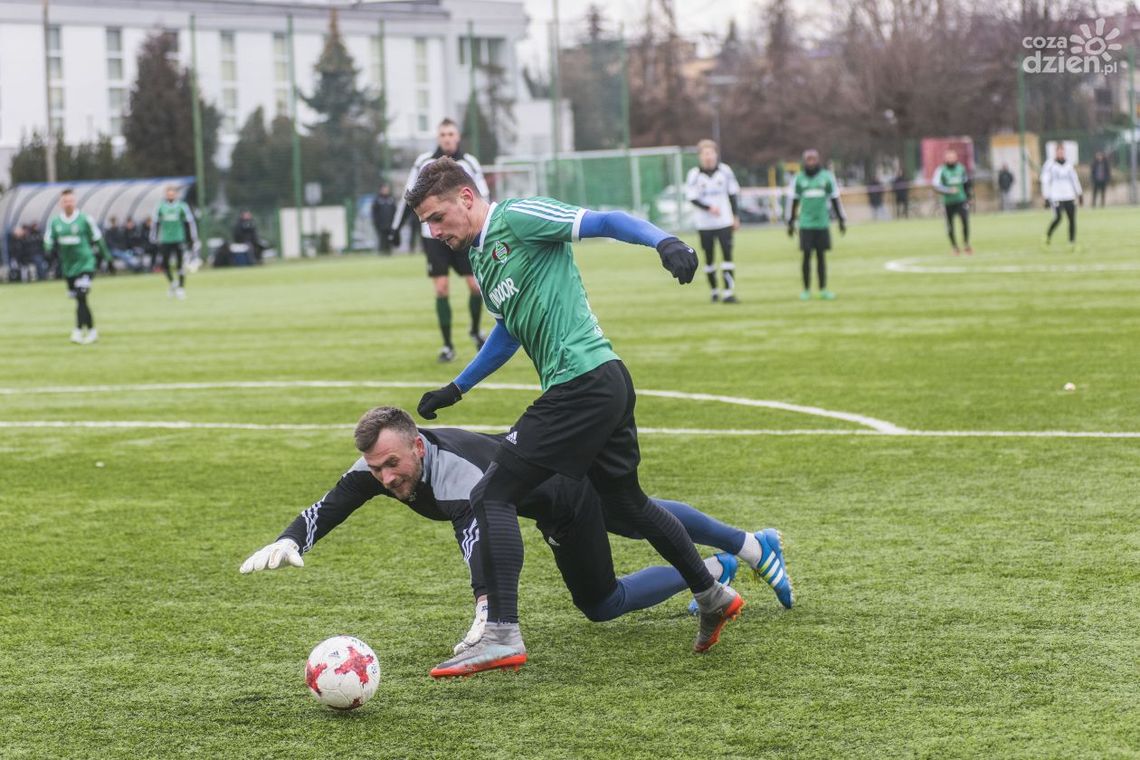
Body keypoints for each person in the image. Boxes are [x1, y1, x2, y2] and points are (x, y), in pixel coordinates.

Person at [408, 157, 744, 678]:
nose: (434, 231)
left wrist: (664, 242)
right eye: (426, 224)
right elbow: (509, 331)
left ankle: (501, 635)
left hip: (581, 383)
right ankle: (712, 592)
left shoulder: (516, 218)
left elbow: (605, 219)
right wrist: (457, 387)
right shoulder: (483, 257)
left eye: (436, 217)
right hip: (599, 384)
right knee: (628, 508)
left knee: (491, 494)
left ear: (467, 198)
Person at [239, 407, 793, 668]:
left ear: (418, 448)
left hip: (563, 499)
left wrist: (487, 607)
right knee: (638, 513)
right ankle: (743, 550)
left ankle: (722, 567)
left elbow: (483, 534)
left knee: (602, 602)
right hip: (556, 475)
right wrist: (292, 540)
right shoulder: (382, 466)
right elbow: (332, 501)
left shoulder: (453, 471)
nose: (385, 479)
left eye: (391, 465)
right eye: (375, 468)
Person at [391, 119, 490, 362]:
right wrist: (396, 229)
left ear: (458, 137)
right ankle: (447, 346)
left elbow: (483, 197)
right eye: (443, 134)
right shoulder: (424, 162)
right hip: (433, 238)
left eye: (451, 134)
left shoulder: (469, 163)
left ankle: (476, 332)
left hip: (464, 235)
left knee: (475, 286)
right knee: (442, 288)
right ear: (438, 137)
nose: (447, 138)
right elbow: (409, 196)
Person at [44, 188, 109, 344]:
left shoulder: (85, 219)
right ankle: (92, 331)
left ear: (75, 201)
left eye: (71, 200)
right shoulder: (54, 222)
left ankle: (78, 331)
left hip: (86, 264)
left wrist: (108, 258)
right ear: (61, 203)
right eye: (65, 201)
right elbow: (48, 240)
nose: (68, 203)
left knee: (81, 295)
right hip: (68, 268)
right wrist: (48, 252)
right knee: (81, 301)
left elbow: (98, 238)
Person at [685, 139, 741, 303]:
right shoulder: (694, 174)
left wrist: (735, 216)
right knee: (709, 258)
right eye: (705, 154)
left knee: (727, 256)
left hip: (724, 222)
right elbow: (692, 198)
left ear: (716, 154)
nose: (708, 157)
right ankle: (715, 291)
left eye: (711, 153)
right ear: (700, 156)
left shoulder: (725, 171)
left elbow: (732, 195)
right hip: (705, 224)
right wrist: (709, 208)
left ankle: (728, 293)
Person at [786, 149, 846, 301]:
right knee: (806, 256)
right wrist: (791, 222)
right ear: (804, 161)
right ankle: (806, 290)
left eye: (813, 159)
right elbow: (794, 201)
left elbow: (834, 199)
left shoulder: (826, 177)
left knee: (821, 257)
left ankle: (823, 289)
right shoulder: (799, 179)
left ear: (818, 160)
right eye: (808, 160)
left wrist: (841, 220)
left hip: (822, 223)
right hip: (805, 224)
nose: (811, 162)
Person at [150, 186, 199, 299]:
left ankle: (181, 288)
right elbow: (155, 223)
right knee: (165, 264)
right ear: (166, 195)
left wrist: (192, 238)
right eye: (169, 194)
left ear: (176, 195)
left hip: (179, 239)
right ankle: (172, 283)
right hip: (165, 239)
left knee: (180, 264)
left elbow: (190, 223)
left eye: (173, 194)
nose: (170, 196)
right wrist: (153, 237)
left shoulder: (182, 206)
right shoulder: (160, 207)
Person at [1041, 144, 1082, 252]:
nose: (1061, 153)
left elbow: (1075, 180)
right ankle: (1048, 235)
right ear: (1056, 152)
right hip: (1056, 196)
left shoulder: (1069, 165)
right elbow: (1045, 181)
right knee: (1058, 217)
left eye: (1062, 151)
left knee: (1072, 219)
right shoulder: (1049, 165)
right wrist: (1046, 197)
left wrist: (1079, 193)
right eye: (1059, 151)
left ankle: (1071, 242)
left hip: (1069, 195)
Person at [932, 148, 972, 255]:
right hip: (947, 202)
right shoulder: (941, 170)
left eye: (952, 157)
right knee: (950, 225)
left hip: (961, 200)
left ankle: (966, 244)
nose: (950, 159)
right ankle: (954, 247)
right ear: (945, 158)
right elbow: (936, 185)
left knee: (965, 222)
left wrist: (969, 198)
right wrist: (948, 190)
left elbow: (966, 184)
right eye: (948, 157)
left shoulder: (961, 168)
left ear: (956, 158)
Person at [370, 183, 397, 255]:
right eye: (384, 189)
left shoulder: (391, 199)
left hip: (390, 224)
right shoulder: (377, 200)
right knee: (382, 240)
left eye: (387, 189)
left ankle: (389, 253)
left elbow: (395, 211)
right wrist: (376, 223)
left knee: (390, 240)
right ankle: (381, 253)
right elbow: (374, 213)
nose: (386, 190)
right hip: (381, 225)